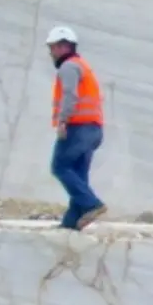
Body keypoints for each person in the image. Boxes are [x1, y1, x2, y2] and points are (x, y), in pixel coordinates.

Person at [45, 26, 108, 231]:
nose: (51, 52)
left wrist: (63, 121)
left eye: (53, 47)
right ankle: (71, 223)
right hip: (93, 129)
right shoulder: (83, 66)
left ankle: (92, 204)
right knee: (78, 176)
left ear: (64, 47)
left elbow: (70, 96)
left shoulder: (69, 67)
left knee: (60, 166)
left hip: (77, 127)